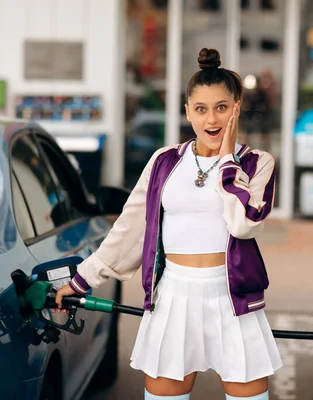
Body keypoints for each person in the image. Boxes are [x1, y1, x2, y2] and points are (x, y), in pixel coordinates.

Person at [55, 47, 282, 400]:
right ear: (187, 111)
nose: (212, 120)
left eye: (222, 108)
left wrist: (226, 161)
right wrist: (82, 280)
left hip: (232, 298)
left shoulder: (257, 164)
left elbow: (243, 224)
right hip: (174, 294)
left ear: (236, 108)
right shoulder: (164, 161)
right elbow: (131, 228)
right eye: (201, 109)